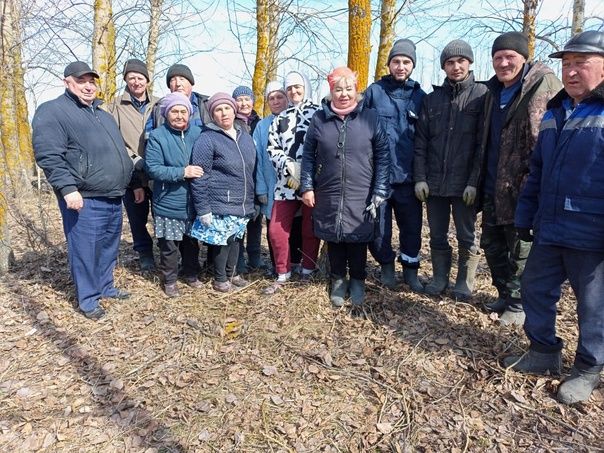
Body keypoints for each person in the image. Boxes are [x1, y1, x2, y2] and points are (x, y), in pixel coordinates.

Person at [503, 30, 604, 405]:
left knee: (593, 305)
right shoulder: (556, 109)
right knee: (534, 289)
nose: (572, 72)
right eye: (567, 64)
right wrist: (525, 214)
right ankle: (544, 352)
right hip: (551, 225)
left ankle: (588, 368)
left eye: (582, 63)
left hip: (593, 232)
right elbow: (538, 169)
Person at [32, 61, 133, 320]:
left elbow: (119, 152)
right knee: (85, 248)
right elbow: (49, 155)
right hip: (84, 197)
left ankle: (105, 286)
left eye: (92, 81)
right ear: (67, 82)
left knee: (108, 246)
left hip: (113, 194)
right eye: (82, 81)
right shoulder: (53, 111)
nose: (88, 86)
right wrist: (68, 188)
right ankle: (88, 300)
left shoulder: (102, 113)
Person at [479, 31, 562, 325]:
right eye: (498, 58)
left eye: (510, 57)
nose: (503, 63)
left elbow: (549, 139)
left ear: (524, 58)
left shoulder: (543, 84)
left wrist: (540, 186)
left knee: (522, 249)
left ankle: (518, 304)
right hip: (492, 184)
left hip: (524, 186)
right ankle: (504, 293)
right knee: (492, 244)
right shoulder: (492, 93)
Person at [300, 67, 390, 307]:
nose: (344, 94)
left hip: (362, 190)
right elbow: (308, 155)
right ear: (331, 92)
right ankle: (338, 280)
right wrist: (307, 186)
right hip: (328, 189)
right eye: (338, 89)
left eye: (348, 89)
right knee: (334, 237)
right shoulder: (319, 119)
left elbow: (383, 156)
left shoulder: (370, 117)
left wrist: (380, 190)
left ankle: (358, 280)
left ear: (356, 90)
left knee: (357, 238)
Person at [414, 40, 487, 299]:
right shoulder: (432, 100)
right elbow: (421, 141)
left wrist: (474, 181)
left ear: (469, 63)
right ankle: (439, 278)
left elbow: (482, 144)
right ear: (444, 66)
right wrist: (420, 178)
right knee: (436, 234)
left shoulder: (482, 95)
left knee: (467, 236)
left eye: (460, 61)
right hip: (434, 183)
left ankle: (464, 283)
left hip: (465, 183)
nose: (456, 67)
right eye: (450, 63)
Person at [364, 38, 426, 292]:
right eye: (396, 62)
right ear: (389, 64)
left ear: (412, 65)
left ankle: (410, 271)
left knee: (411, 229)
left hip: (409, 178)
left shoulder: (420, 96)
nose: (401, 67)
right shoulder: (374, 92)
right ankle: (386, 267)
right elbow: (360, 129)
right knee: (379, 230)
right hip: (378, 177)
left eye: (406, 62)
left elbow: (426, 138)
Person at [190, 93, 256, 292]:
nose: (224, 113)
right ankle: (220, 279)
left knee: (236, 239)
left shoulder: (244, 136)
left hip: (243, 201)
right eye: (218, 110)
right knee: (222, 242)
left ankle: (232, 273)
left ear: (234, 110)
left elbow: (251, 168)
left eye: (227, 108)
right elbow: (200, 175)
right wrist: (203, 208)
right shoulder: (207, 139)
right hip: (220, 201)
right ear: (213, 115)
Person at [265, 71, 321, 294]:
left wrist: (315, 171)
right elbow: (272, 147)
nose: (293, 91)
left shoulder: (318, 113)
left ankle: (308, 269)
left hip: (312, 182)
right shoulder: (280, 118)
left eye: (297, 87)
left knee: (310, 227)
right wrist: (286, 164)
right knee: (276, 230)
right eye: (289, 88)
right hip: (286, 182)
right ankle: (282, 271)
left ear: (305, 87)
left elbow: (325, 144)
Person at [144, 92, 204, 298]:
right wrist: (182, 172)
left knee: (191, 243)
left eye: (183, 111)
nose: (179, 115)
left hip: (194, 201)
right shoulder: (157, 137)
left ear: (189, 113)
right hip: (168, 201)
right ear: (167, 114)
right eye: (175, 111)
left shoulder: (198, 133)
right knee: (169, 246)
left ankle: (191, 274)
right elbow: (152, 168)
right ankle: (170, 280)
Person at [106, 58, 158, 271]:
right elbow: (113, 141)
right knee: (137, 217)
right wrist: (135, 165)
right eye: (132, 78)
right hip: (131, 171)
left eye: (140, 78)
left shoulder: (159, 104)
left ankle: (167, 250)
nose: (136, 82)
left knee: (161, 213)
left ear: (147, 80)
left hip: (158, 170)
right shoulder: (114, 107)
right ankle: (144, 252)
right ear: (126, 80)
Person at [253, 81, 303, 274]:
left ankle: (297, 262)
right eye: (271, 98)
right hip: (271, 184)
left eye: (279, 97)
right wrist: (261, 188)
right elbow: (257, 158)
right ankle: (278, 266)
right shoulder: (262, 126)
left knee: (296, 225)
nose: (275, 101)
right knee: (275, 227)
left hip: (295, 184)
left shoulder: (297, 119)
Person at [232, 85, 263, 273]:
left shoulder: (259, 122)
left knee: (256, 221)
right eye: (239, 99)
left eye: (247, 99)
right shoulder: (232, 123)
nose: (244, 103)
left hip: (257, 177)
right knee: (240, 221)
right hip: (239, 180)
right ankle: (239, 259)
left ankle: (255, 257)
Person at [146, 63, 212, 131]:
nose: (178, 84)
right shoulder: (158, 108)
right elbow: (148, 135)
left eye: (182, 79)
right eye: (173, 80)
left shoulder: (206, 105)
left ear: (191, 83)